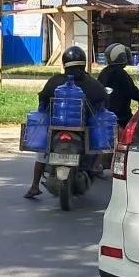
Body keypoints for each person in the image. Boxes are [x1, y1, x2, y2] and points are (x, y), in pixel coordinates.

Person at [25, 46, 108, 199]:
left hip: (56, 126)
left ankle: (34, 186)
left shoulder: (55, 81)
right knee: (97, 144)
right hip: (83, 128)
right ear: (83, 64)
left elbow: (42, 99)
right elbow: (103, 99)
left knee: (42, 152)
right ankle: (95, 167)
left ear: (64, 64)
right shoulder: (92, 83)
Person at [99, 43, 139, 128]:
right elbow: (134, 93)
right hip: (122, 119)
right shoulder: (121, 74)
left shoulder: (103, 73)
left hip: (104, 117)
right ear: (121, 56)